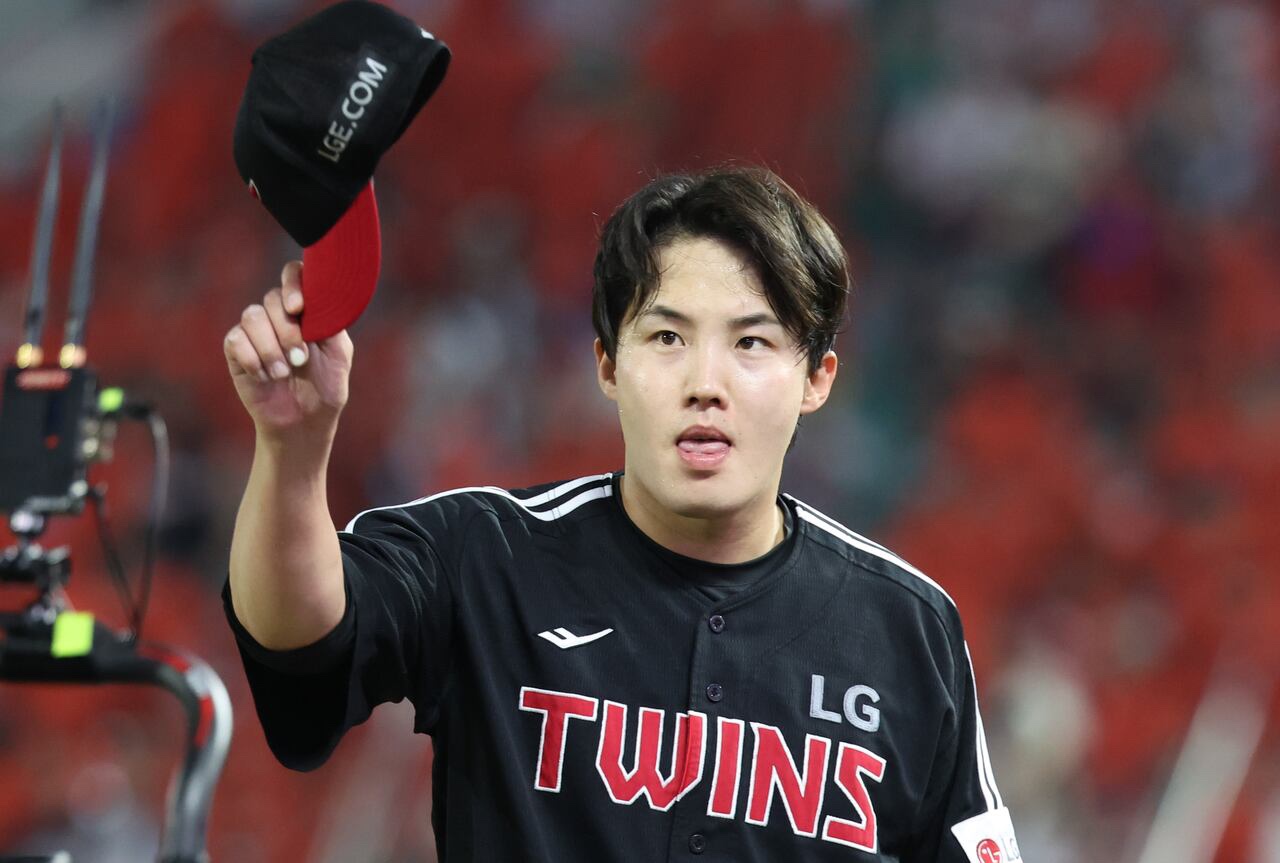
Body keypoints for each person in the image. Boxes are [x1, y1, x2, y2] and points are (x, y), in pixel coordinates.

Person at [222, 166, 1022, 862]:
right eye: (667, 337)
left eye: (751, 343)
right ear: (608, 364)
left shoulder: (908, 629)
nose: (705, 383)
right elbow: (302, 637)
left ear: (817, 378)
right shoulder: (486, 555)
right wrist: (292, 447)